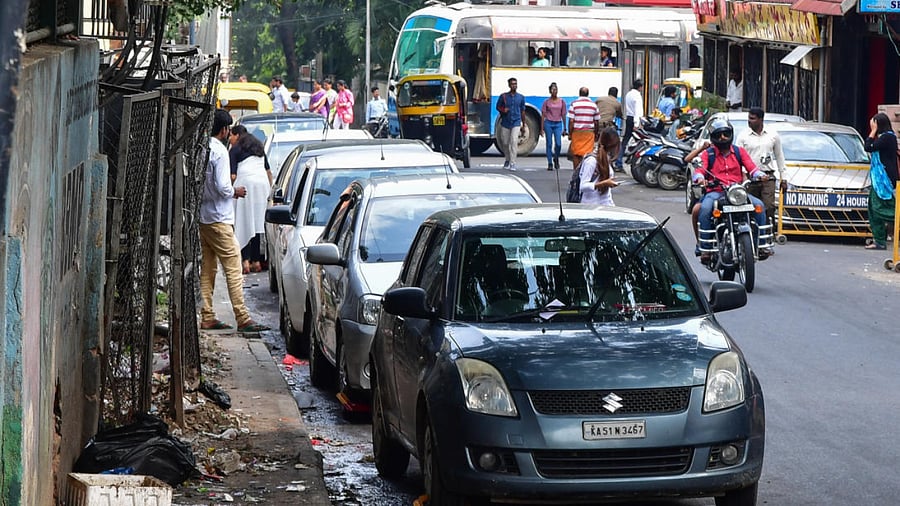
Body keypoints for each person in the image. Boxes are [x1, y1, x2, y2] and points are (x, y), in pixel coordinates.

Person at [199, 109, 268, 332]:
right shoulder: (219, 151)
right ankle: (242, 316)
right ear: (224, 130)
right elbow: (222, 186)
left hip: (204, 216)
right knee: (234, 266)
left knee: (208, 268)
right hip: (219, 217)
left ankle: (208, 314)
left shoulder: (202, 147)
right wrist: (234, 191)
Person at [692, 118, 769, 262]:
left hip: (737, 192)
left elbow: (752, 168)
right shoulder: (708, 153)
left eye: (725, 134)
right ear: (713, 137)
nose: (723, 138)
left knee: (759, 205)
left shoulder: (739, 152)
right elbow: (699, 171)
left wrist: (760, 175)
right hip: (715, 192)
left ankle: (762, 245)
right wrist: (699, 178)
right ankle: (705, 249)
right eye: (719, 135)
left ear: (731, 134)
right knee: (705, 208)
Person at [229, 125, 274, 274]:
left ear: (236, 135)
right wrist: (270, 192)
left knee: (244, 221)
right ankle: (257, 261)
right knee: (257, 223)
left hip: (245, 185)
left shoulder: (235, 149)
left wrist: (230, 191)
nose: (230, 139)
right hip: (262, 186)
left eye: (231, 136)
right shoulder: (259, 148)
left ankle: (245, 261)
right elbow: (268, 172)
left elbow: (233, 175)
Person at [736, 107, 787, 228]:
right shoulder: (743, 136)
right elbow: (738, 158)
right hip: (749, 177)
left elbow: (780, 157)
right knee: (749, 206)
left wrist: (783, 178)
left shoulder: (773, 135)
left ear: (761, 119)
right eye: (749, 118)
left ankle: (766, 233)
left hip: (767, 176)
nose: (749, 121)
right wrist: (743, 175)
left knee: (768, 206)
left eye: (752, 119)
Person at [863, 112, 898, 250]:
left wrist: (872, 131)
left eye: (873, 123)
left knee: (883, 208)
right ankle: (879, 240)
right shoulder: (884, 138)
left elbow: (868, 146)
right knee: (873, 208)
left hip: (885, 180)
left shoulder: (888, 138)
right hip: (878, 179)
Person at [578, 127, 620, 206]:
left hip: (605, 203)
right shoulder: (591, 161)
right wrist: (603, 184)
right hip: (590, 206)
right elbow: (583, 186)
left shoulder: (606, 158)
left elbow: (607, 194)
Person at [567, 86, 601, 171]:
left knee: (576, 153)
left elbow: (571, 121)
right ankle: (584, 172)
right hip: (589, 133)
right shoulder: (593, 105)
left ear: (579, 94)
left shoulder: (574, 104)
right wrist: (596, 133)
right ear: (588, 94)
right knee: (587, 154)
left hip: (577, 132)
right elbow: (596, 122)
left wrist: (570, 133)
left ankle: (576, 172)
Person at [496, 77, 526, 171]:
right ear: (509, 85)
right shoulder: (504, 96)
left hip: (516, 122)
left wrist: (523, 124)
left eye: (515, 84)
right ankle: (507, 159)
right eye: (512, 84)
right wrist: (503, 110)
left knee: (513, 141)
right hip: (505, 122)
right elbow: (498, 106)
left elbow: (523, 111)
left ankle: (513, 162)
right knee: (505, 143)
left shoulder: (521, 97)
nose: (514, 86)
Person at [617, 79, 644, 169]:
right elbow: (638, 110)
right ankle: (633, 160)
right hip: (634, 119)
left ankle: (619, 162)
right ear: (640, 87)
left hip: (629, 118)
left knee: (625, 140)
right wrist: (637, 124)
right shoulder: (637, 95)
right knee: (640, 140)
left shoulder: (628, 94)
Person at [541, 82, 567, 171]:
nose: (554, 91)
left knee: (558, 144)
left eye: (555, 89)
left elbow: (563, 114)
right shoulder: (546, 102)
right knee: (549, 143)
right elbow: (543, 115)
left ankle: (556, 157)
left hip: (558, 124)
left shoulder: (561, 101)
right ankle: (550, 163)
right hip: (548, 123)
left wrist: (565, 128)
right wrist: (541, 129)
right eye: (552, 89)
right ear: (550, 91)